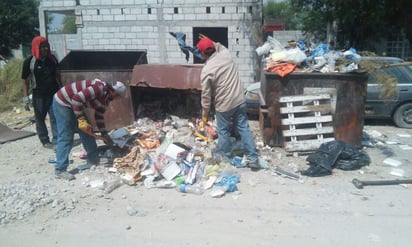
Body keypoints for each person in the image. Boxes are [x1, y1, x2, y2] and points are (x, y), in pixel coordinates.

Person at [196, 36, 261, 170]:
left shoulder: (207, 70)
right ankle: (253, 158)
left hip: (224, 105)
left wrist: (204, 114)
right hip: (239, 99)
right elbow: (218, 45)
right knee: (244, 128)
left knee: (223, 131)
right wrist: (210, 41)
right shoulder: (225, 53)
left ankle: (226, 159)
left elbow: (206, 96)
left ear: (202, 54)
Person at [52, 79, 126, 180]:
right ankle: (60, 169)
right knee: (66, 136)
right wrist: (80, 119)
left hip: (75, 104)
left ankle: (94, 159)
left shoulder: (107, 98)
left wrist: (104, 134)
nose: (117, 98)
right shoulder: (98, 89)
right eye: (117, 96)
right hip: (63, 101)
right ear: (113, 91)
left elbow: (99, 115)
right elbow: (77, 99)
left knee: (87, 131)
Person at [21, 36, 61, 149]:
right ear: (36, 47)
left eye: (46, 46)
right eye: (42, 47)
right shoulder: (29, 62)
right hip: (39, 96)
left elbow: (58, 76)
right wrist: (25, 98)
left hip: (54, 94)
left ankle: (57, 140)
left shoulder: (52, 59)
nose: (45, 49)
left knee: (55, 117)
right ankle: (45, 141)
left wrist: (62, 89)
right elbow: (24, 81)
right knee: (40, 119)